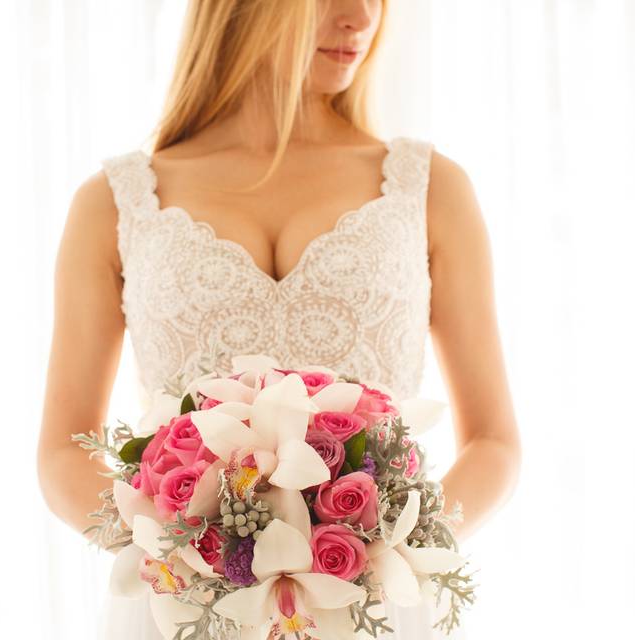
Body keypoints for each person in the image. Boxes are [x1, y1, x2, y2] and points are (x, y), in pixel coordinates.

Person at [37, 0, 521, 637]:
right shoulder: (114, 201)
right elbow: (63, 450)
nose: (360, 19)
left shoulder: (429, 189)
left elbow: (494, 441)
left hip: (377, 616)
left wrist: (390, 549)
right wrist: (188, 553)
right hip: (188, 614)